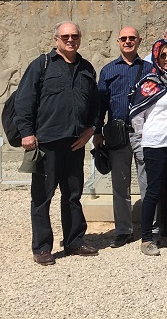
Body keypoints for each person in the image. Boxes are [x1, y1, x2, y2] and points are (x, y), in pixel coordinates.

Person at [14, 22, 100, 265]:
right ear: (56, 39)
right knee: (42, 197)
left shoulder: (86, 68)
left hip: (75, 143)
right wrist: (27, 133)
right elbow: (24, 101)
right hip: (46, 142)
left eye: (74, 36)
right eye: (65, 36)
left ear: (79, 38)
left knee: (73, 195)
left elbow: (95, 106)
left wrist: (90, 131)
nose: (70, 40)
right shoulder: (41, 65)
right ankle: (42, 247)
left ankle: (74, 241)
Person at [128, 39, 167, 256]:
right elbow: (137, 114)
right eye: (163, 55)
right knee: (154, 191)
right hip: (155, 144)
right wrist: (144, 137)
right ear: (156, 57)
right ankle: (147, 238)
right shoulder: (149, 83)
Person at [95, 26, 152, 248]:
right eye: (124, 38)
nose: (128, 41)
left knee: (148, 182)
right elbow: (101, 104)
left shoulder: (149, 69)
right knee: (120, 185)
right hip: (117, 134)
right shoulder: (108, 70)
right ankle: (123, 230)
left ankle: (151, 229)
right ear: (118, 42)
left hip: (144, 133)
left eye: (132, 38)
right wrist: (97, 131)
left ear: (139, 41)